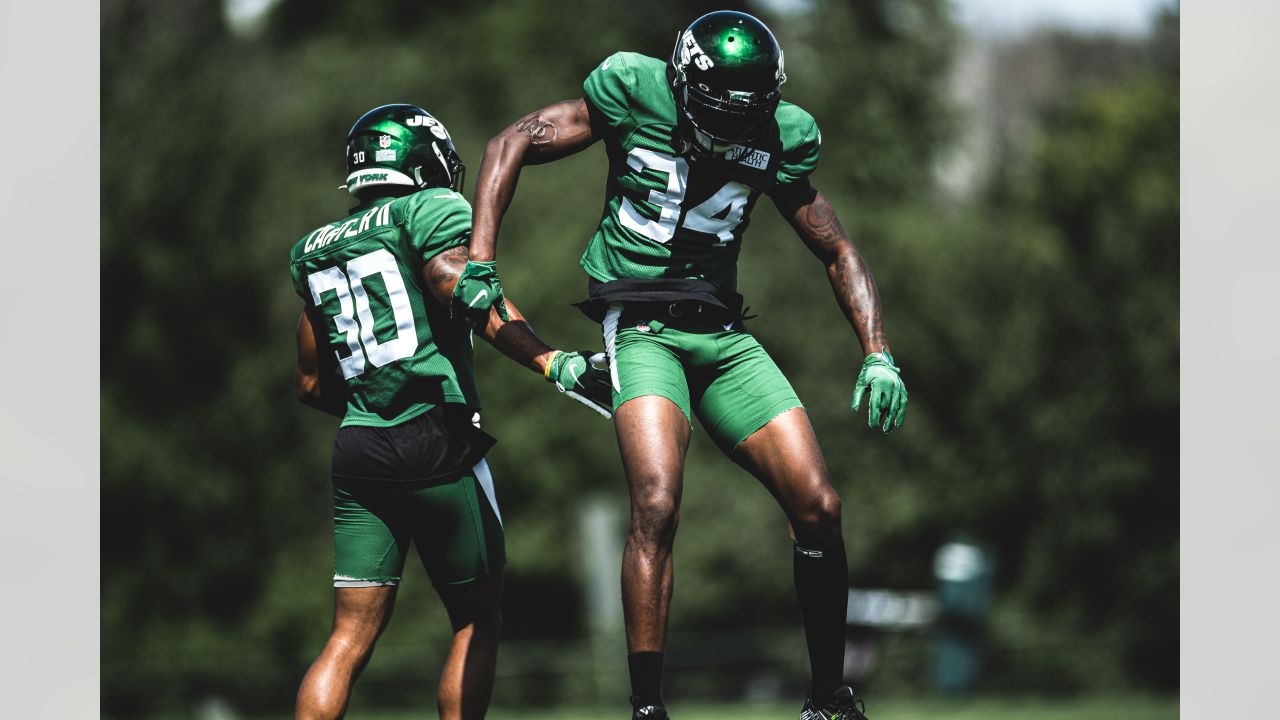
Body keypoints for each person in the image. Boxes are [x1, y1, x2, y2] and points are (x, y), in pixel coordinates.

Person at [455, 10, 909, 720]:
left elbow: (837, 249)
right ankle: (647, 708)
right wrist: (482, 257)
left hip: (722, 333)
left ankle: (829, 701)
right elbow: (511, 138)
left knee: (819, 506)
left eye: (744, 114)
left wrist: (878, 354)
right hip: (639, 325)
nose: (728, 130)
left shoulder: (783, 135)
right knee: (658, 501)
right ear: (681, 83)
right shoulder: (635, 90)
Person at [288, 103, 612, 720]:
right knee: (476, 620)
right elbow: (460, 287)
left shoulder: (314, 249)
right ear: (419, 158)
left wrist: (374, 409)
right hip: (434, 436)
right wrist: (552, 362)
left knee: (348, 637)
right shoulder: (429, 208)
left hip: (358, 447)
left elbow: (308, 383)